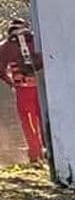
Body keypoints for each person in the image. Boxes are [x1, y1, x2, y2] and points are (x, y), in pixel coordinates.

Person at [0, 19, 44, 165]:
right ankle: (49, 152)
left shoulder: (6, 46)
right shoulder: (37, 40)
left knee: (29, 123)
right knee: (44, 120)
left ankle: (35, 155)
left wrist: (10, 81)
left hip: (23, 90)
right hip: (43, 90)